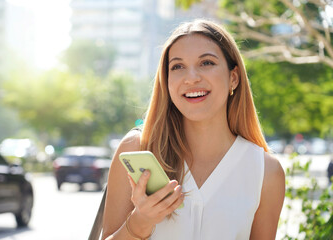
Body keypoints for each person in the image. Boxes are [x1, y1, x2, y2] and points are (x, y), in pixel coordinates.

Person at [102, 19, 285, 240]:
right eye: (177, 66)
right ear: (167, 82)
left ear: (233, 78)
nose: (191, 78)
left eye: (206, 63)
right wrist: (140, 222)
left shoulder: (266, 173)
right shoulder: (137, 150)